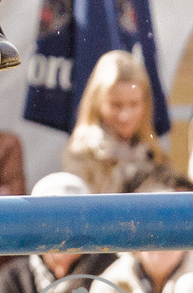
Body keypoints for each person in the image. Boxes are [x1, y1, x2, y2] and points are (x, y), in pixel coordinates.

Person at [0, 172, 117, 293]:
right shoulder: (13, 278)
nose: (64, 230)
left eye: (74, 219)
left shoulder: (111, 270)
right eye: (52, 220)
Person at [62, 50, 186, 194]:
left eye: (134, 104)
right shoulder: (81, 154)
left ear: (145, 104)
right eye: (116, 105)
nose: (125, 115)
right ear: (97, 102)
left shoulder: (153, 153)